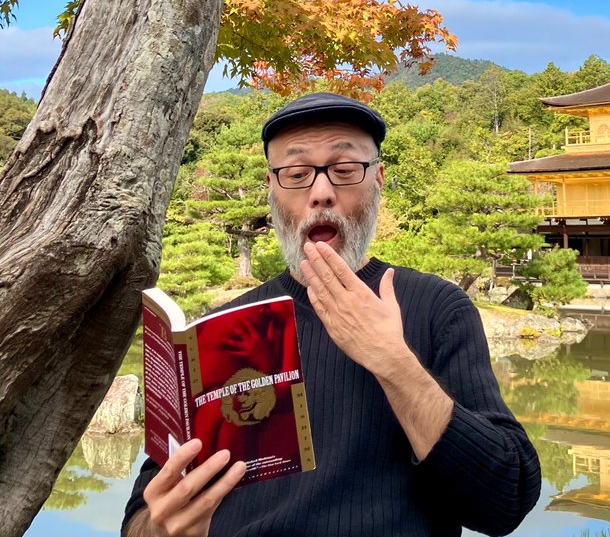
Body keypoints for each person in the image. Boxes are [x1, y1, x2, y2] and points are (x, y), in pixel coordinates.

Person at [122, 92, 541, 537]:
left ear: (378, 179)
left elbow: (505, 502)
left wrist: (393, 362)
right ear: (271, 188)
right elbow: (141, 518)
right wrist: (160, 527)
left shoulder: (437, 308)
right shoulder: (224, 329)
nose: (321, 193)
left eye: (344, 170)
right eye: (297, 174)